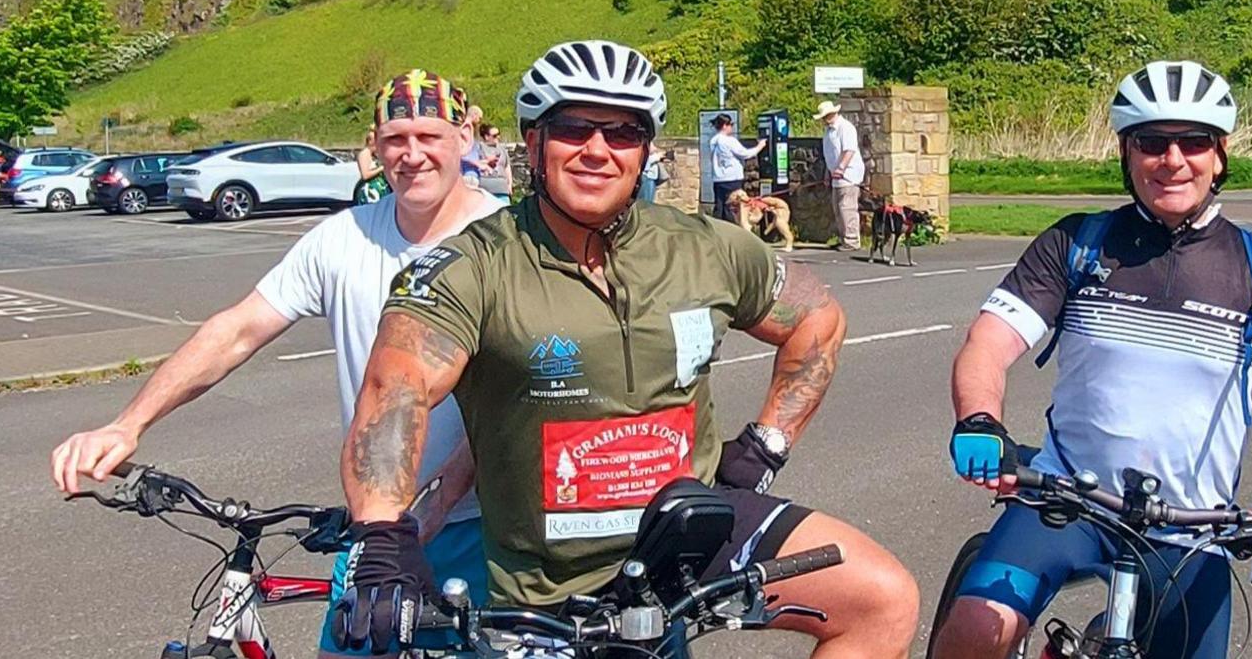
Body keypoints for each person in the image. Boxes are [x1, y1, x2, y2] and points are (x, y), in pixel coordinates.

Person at [329, 40, 919, 657]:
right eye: (574, 128)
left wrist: (765, 443)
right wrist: (381, 537)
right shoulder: (473, 264)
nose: (597, 150)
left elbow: (817, 319)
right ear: (533, 144)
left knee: (880, 600)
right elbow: (395, 389)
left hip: (686, 541)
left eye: (623, 133)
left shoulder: (704, 248)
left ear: (645, 151)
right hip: (552, 588)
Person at [50, 68, 505, 658]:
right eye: (396, 139)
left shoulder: (503, 240)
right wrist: (127, 423)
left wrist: (439, 501)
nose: (412, 155)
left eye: (429, 137)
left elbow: (517, 397)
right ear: (374, 144)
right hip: (375, 528)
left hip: (479, 530)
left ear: (463, 139)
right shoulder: (342, 239)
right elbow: (237, 331)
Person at [934, 60, 1252, 659]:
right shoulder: (1079, 243)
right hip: (1066, 502)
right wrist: (979, 420)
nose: (1172, 159)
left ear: (1220, 154)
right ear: (1127, 154)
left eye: (1194, 141)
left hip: (1193, 529)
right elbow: (989, 343)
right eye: (1151, 142)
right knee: (978, 627)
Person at [815, 100, 865, 251]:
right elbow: (829, 155)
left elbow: (849, 150)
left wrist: (841, 168)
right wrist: (827, 173)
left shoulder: (845, 128)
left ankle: (852, 240)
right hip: (835, 175)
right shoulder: (829, 131)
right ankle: (844, 238)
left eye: (826, 116)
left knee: (847, 207)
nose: (824, 120)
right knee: (838, 207)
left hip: (848, 174)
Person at [707, 113, 767, 222]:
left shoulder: (713, 141)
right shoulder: (729, 141)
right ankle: (732, 230)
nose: (732, 127)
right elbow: (746, 154)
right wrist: (760, 146)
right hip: (732, 179)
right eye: (730, 124)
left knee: (719, 207)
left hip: (718, 179)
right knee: (732, 208)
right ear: (725, 125)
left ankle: (718, 231)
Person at [353, 131, 389, 204]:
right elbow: (365, 175)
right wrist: (381, 168)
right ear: (371, 142)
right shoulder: (364, 154)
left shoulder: (374, 154)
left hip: (380, 189)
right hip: (370, 191)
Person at [478, 124, 513, 198]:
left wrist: (509, 184)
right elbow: (475, 164)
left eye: (498, 134)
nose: (498, 137)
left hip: (502, 188)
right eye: (495, 135)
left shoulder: (502, 149)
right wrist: (487, 161)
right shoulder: (479, 148)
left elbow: (507, 167)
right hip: (486, 188)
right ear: (486, 137)